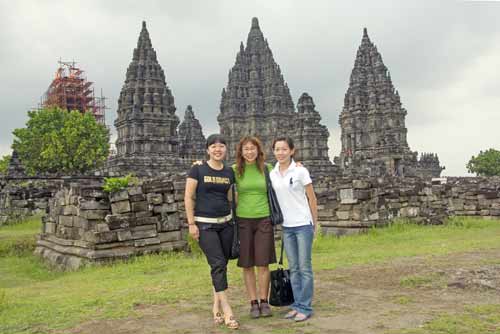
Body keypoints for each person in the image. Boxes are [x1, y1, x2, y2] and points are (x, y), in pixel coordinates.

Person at [184, 134, 239, 330]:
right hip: (205, 225)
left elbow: (232, 197)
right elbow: (189, 197)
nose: (218, 149)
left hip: (226, 223)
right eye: (213, 146)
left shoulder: (229, 172)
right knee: (217, 264)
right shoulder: (197, 169)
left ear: (226, 149)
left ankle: (215, 303)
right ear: (207, 150)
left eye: (221, 146)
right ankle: (227, 309)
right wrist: (191, 224)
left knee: (222, 265)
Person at [269, 136, 318, 322]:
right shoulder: (272, 173)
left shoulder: (300, 171)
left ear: (292, 151)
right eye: (277, 149)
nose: (280, 153)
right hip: (287, 227)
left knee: (305, 267)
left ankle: (305, 307)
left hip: (303, 224)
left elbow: (312, 198)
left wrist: (315, 222)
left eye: (283, 149)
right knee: (294, 268)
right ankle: (296, 304)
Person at [233, 136, 276, 319]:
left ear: (259, 150)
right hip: (243, 220)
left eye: (252, 149)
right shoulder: (234, 170)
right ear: (241, 152)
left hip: (264, 218)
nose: (249, 152)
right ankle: (253, 302)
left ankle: (264, 301)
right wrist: (198, 165)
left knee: (263, 262)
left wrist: (296, 166)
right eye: (246, 149)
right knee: (248, 263)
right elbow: (216, 177)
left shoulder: (267, 169)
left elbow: (283, 178)